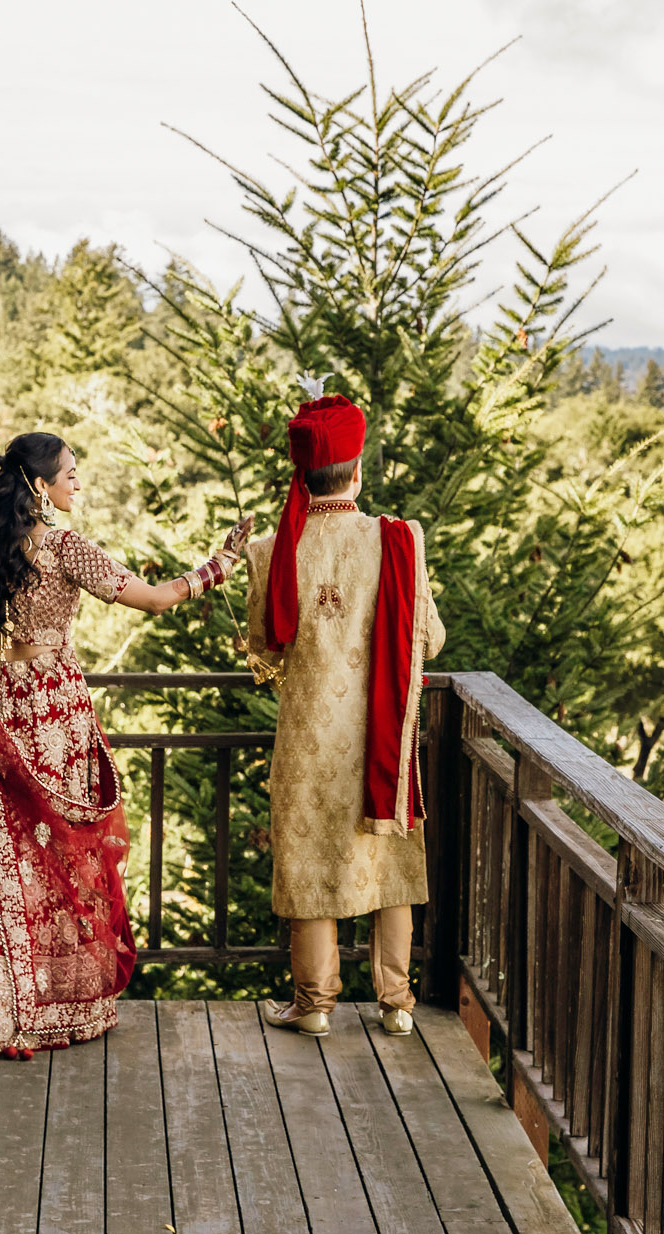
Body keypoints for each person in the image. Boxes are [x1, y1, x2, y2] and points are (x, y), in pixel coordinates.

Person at [0, 432, 250, 1058]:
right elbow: (154, 599)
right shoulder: (66, 549)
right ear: (39, 484)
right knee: (49, 854)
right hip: (48, 714)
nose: (78, 483)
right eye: (71, 473)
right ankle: (37, 1003)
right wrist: (219, 567)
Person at [246, 390, 445, 1037]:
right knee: (385, 861)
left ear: (301, 473)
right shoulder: (398, 541)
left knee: (309, 862)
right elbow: (430, 638)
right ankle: (395, 1003)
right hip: (377, 736)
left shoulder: (273, 550)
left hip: (306, 739)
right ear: (356, 470)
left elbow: (263, 646)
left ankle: (314, 1005)